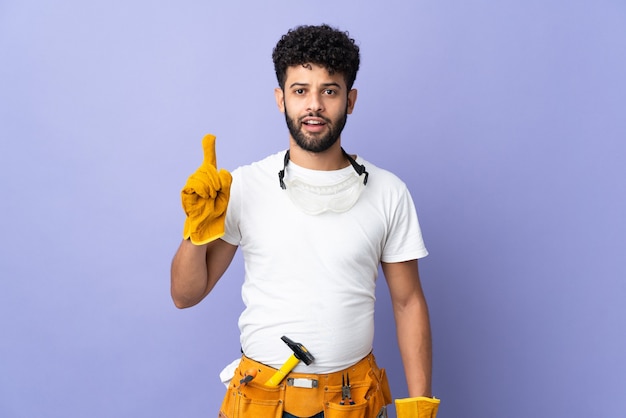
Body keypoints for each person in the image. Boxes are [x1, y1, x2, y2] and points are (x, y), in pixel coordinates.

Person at [171, 24, 440, 418]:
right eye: (300, 90)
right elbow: (185, 295)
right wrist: (197, 230)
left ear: (350, 100)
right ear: (281, 99)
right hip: (260, 400)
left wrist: (420, 405)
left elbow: (408, 301)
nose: (314, 105)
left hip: (352, 401)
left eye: (329, 91)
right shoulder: (243, 185)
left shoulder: (388, 191)